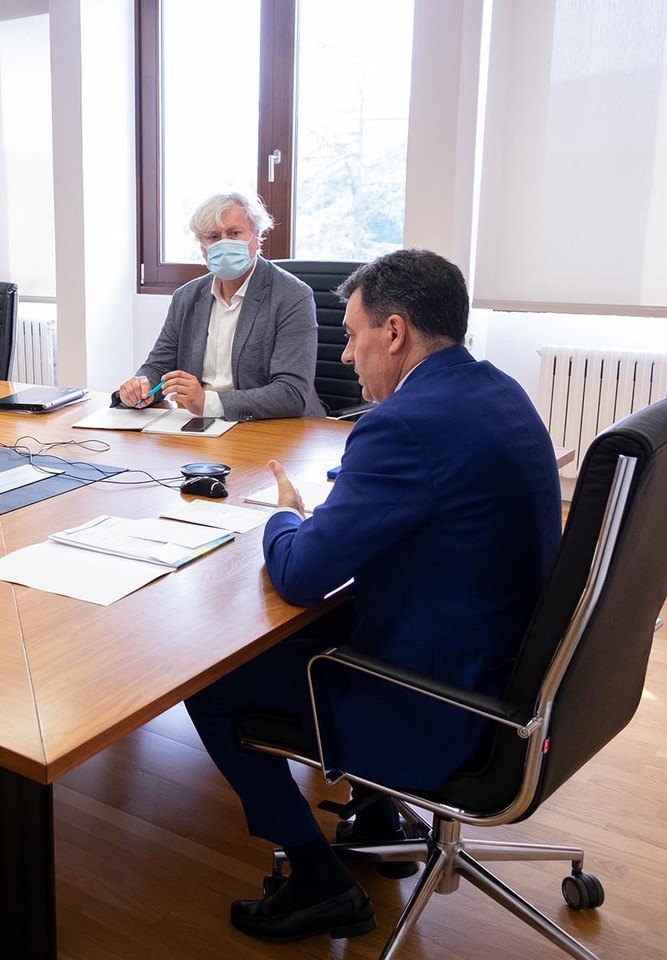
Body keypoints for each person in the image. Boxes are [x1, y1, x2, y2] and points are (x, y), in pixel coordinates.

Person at [183, 249, 561, 943]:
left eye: (355, 337)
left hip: (445, 704)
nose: (349, 356)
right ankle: (383, 812)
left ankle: (319, 883)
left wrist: (285, 515)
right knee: (309, 633)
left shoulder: (403, 426)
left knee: (208, 679)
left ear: (395, 332)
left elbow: (299, 575)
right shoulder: (498, 391)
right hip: (510, 675)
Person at [118, 192, 321, 420]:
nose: (224, 243)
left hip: (271, 428)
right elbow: (158, 366)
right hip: (199, 425)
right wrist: (143, 384)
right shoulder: (186, 297)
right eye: (213, 237)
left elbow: (291, 393)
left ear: (257, 237)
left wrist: (208, 403)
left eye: (234, 233)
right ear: (202, 247)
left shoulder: (292, 295)